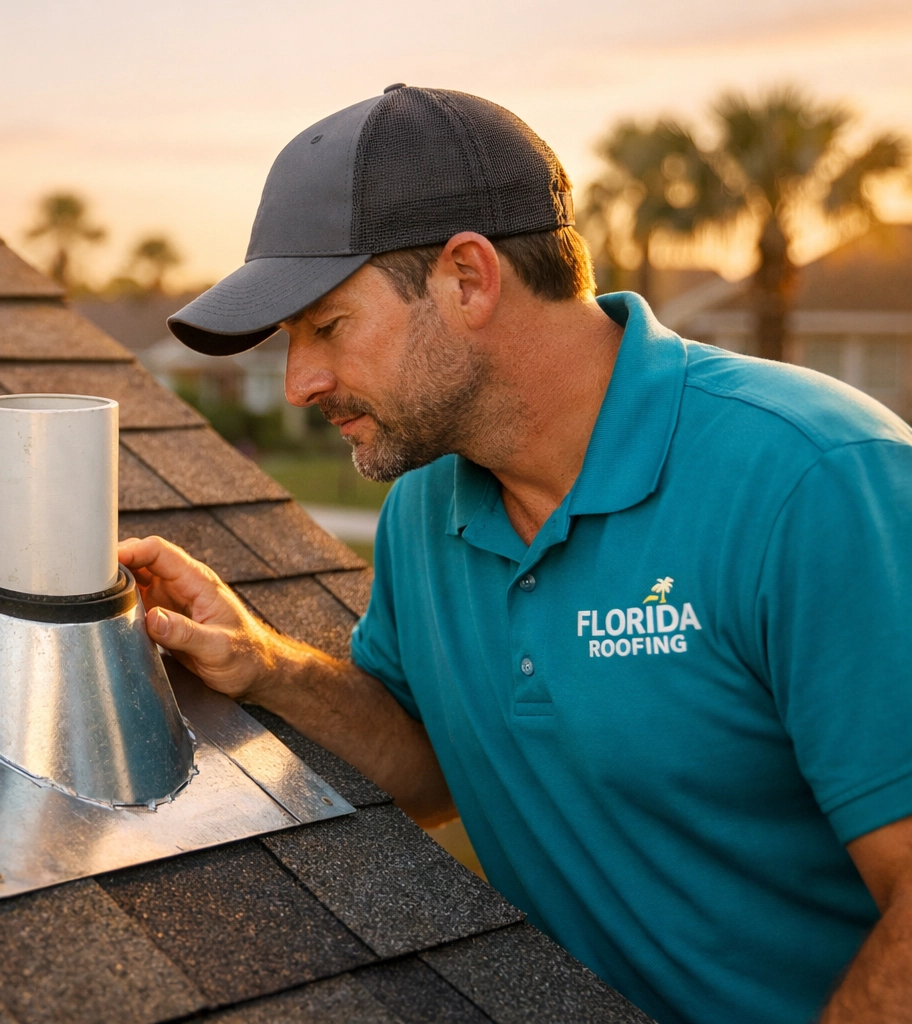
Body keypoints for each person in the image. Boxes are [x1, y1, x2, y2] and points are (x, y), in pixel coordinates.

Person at [119, 85, 912, 1024]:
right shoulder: (426, 506)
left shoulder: (812, 481)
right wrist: (264, 663)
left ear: (468, 277)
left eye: (326, 327)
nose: (300, 383)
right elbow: (430, 769)